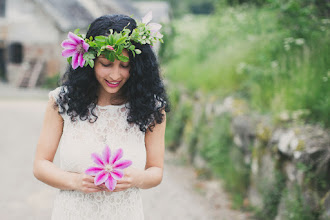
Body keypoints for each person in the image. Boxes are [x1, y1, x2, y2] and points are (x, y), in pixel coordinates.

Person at [33, 13, 170, 220]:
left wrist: (135, 178)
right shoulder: (61, 101)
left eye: (125, 66)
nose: (115, 75)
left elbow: (156, 171)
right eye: (106, 64)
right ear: (90, 62)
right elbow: (41, 164)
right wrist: (76, 182)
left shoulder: (151, 108)